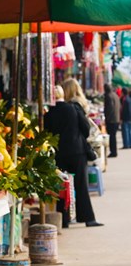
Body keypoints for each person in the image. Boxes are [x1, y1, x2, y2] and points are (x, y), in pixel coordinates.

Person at [44, 81, 103, 228]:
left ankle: (63, 220)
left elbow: (46, 133)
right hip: (77, 152)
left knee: (61, 186)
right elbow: (86, 128)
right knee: (81, 185)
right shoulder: (74, 108)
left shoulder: (49, 114)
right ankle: (88, 218)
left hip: (59, 154)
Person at [104, 83, 120, 157]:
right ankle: (114, 151)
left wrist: (107, 119)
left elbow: (109, 109)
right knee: (113, 136)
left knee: (112, 137)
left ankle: (113, 152)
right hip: (116, 119)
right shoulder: (115, 95)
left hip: (111, 120)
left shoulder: (108, 96)